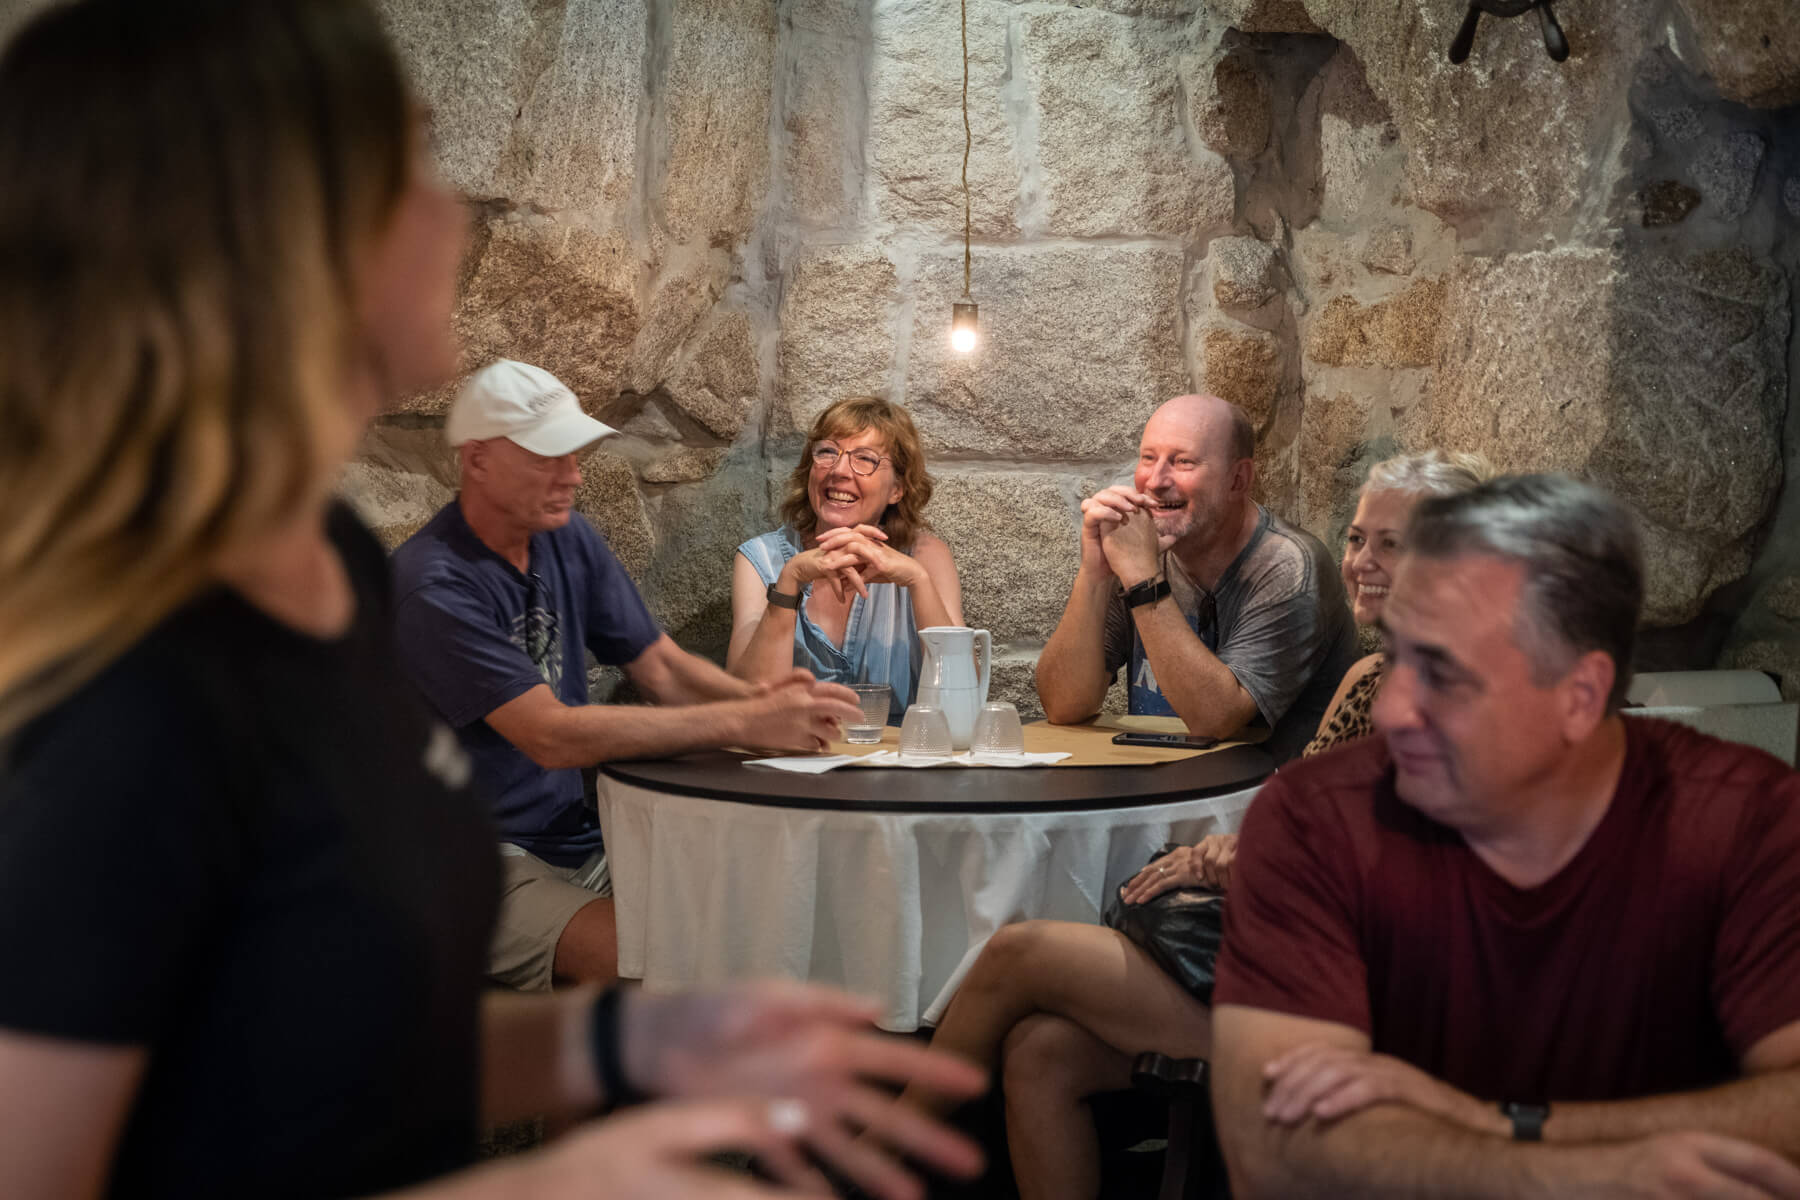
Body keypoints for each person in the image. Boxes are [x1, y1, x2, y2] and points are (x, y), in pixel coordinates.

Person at [0, 3, 984, 1197]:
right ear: (283, 233)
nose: (447, 211)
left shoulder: (328, 567)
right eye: (408, 166)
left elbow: (297, 1059)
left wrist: (630, 1041)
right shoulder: (127, 663)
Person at [886, 449, 1487, 1200]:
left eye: (1391, 544)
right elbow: (1285, 812)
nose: (1361, 560)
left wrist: (1241, 861)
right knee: (1043, 1051)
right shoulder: (1374, 678)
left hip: (1366, 1011)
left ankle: (876, 1160)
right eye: (1359, 538)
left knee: (1017, 951)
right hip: (1284, 967)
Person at [1211, 475, 1800, 1198]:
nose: (1393, 711)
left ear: (1580, 697)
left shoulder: (1748, 820)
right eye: (1398, 658)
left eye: (1444, 676)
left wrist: (1499, 1124)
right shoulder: (1315, 815)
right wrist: (1603, 1171)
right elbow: (1273, 1149)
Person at [391, 360, 862, 993]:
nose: (573, 476)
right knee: (647, 960)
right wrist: (747, 719)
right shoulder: (433, 583)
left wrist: (768, 700)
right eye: (548, 458)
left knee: (763, 908)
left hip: (575, 840)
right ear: (476, 459)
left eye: (574, 455)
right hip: (459, 859)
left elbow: (662, 667)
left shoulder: (562, 537)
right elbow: (550, 735)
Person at [1036, 394, 1356, 763]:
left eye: (1183, 462)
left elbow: (1215, 720)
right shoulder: (1140, 551)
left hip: (1269, 804)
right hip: (1166, 792)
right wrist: (1094, 573)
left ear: (1239, 479)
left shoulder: (1288, 566)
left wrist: (1142, 577)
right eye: (1148, 458)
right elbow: (1063, 706)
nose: (1155, 481)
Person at [729, 396, 963, 718]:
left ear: (897, 488)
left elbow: (963, 700)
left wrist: (918, 581)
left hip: (898, 765)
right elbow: (744, 705)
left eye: (865, 459)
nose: (838, 470)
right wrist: (790, 579)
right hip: (792, 762)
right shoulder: (760, 559)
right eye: (827, 452)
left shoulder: (926, 557)